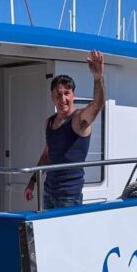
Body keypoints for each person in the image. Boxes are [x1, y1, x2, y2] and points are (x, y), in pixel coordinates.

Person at [24, 49, 106, 209]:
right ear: (52, 97)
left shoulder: (79, 119)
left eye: (66, 93)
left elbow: (97, 105)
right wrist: (32, 182)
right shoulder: (49, 122)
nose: (63, 99)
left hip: (70, 196)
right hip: (48, 192)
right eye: (58, 94)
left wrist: (98, 78)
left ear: (73, 95)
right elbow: (47, 155)